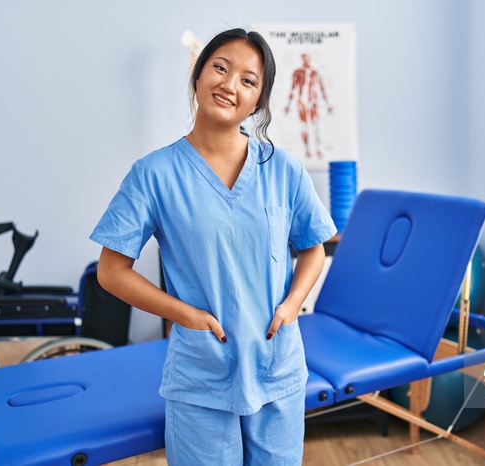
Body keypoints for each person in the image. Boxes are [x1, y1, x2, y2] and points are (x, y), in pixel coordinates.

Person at [90, 28, 337, 465]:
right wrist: (185, 315)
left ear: (258, 101)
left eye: (248, 79)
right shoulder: (154, 174)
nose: (230, 84)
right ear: (198, 76)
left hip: (276, 365)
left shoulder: (284, 170)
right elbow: (111, 271)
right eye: (220, 68)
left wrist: (292, 304)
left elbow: (313, 248)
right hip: (203, 374)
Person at [284, 52, 333, 158]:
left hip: (313, 101)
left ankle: (318, 149)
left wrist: (327, 104)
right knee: (304, 126)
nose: (305, 60)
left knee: (315, 126)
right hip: (302, 101)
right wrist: (288, 104)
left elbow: (321, 87)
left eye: (307, 58)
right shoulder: (297, 72)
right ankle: (307, 149)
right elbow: (292, 88)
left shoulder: (314, 72)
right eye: (304, 58)